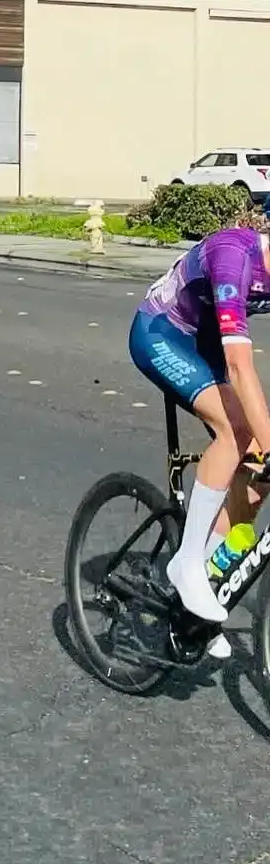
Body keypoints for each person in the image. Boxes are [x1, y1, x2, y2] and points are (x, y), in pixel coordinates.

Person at [128, 225, 270, 632]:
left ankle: (199, 594)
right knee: (238, 431)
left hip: (207, 346)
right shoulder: (235, 255)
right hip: (161, 334)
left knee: (258, 472)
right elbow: (241, 366)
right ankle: (187, 562)